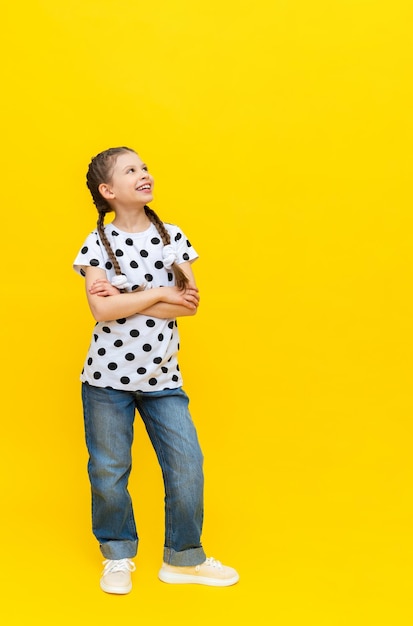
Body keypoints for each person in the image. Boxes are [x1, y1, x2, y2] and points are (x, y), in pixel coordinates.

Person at [73, 146, 239, 594]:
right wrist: (159, 292)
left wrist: (130, 291)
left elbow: (190, 304)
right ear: (108, 191)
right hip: (106, 381)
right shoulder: (96, 244)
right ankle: (118, 555)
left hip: (163, 379)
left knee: (187, 465)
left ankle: (183, 558)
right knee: (109, 470)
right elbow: (101, 310)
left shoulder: (173, 237)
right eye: (131, 170)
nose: (144, 174)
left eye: (144, 167)